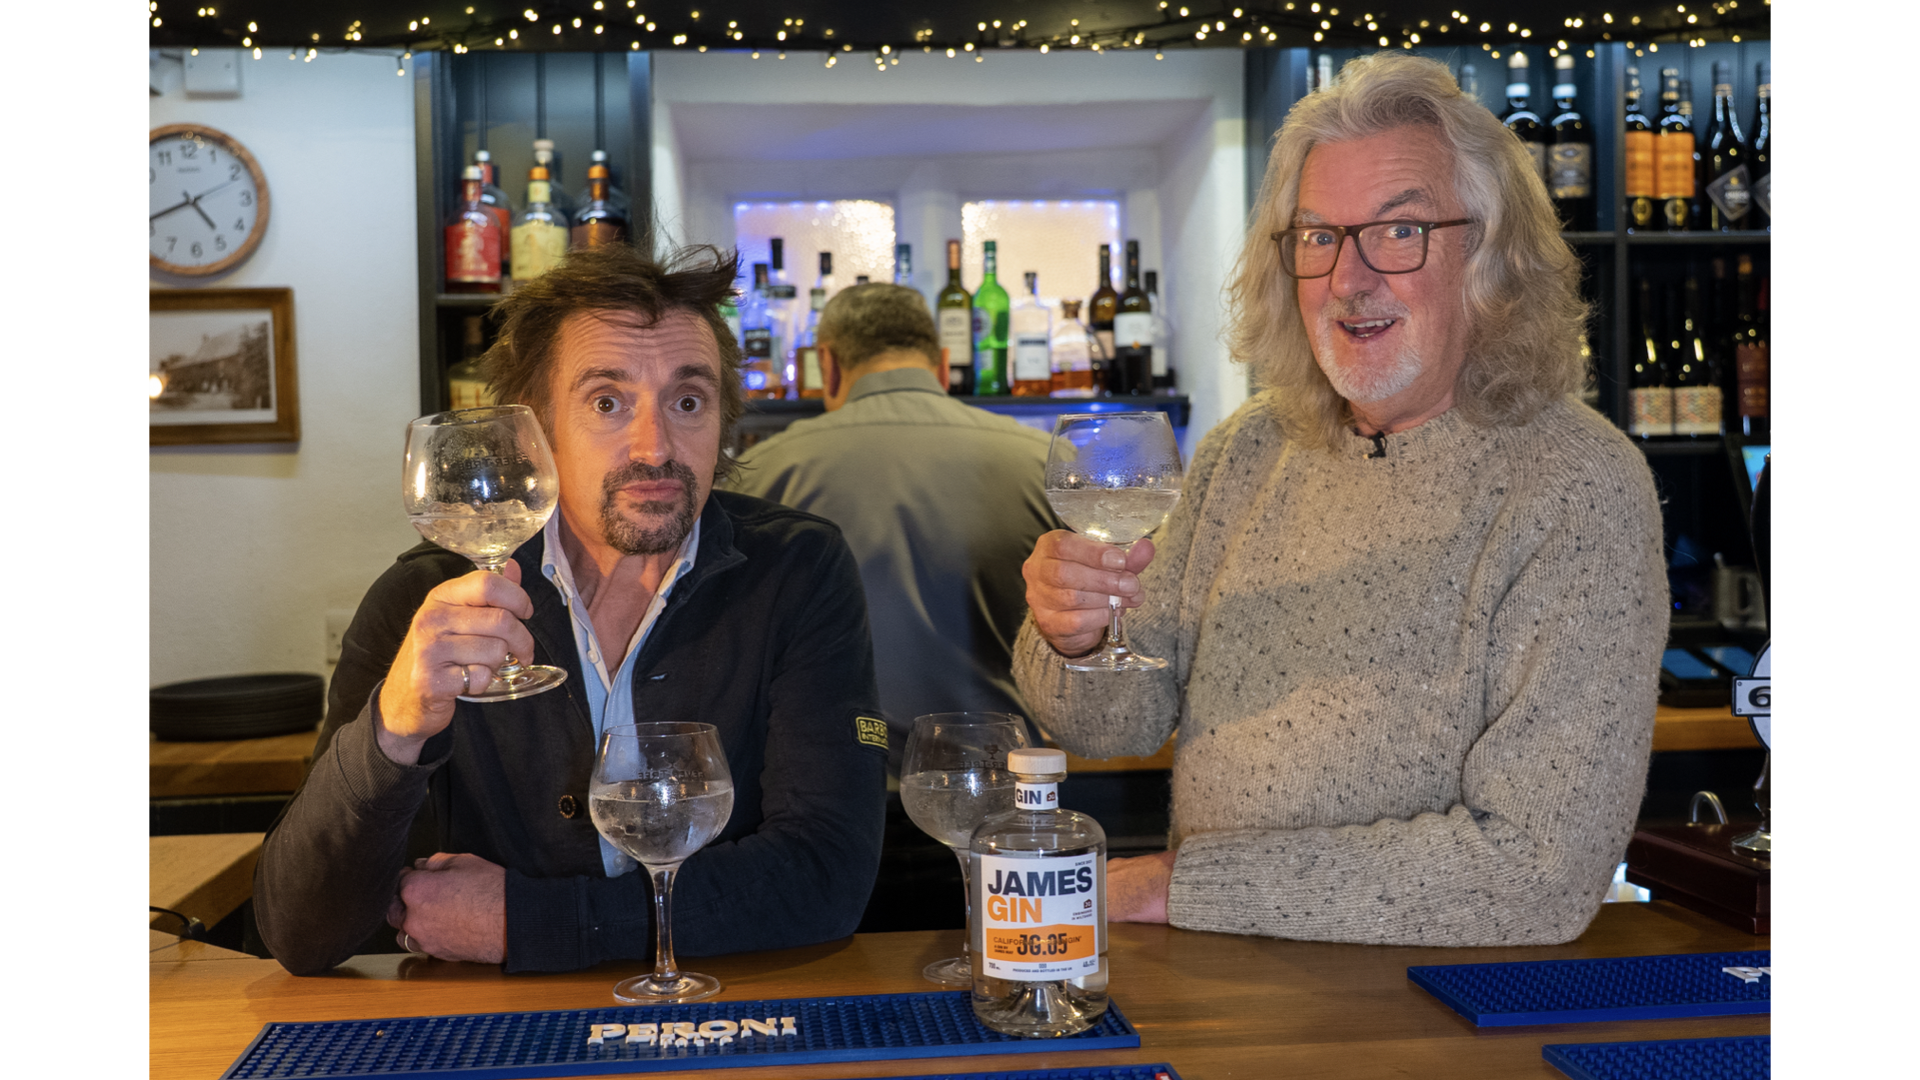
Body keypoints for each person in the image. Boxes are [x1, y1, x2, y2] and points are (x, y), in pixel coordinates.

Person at [1015, 52, 1668, 947]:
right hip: (1220, 1000)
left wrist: (1187, 887)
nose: (1350, 279)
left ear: (1494, 255)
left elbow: (1536, 875)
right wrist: (1075, 632)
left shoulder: (1578, 485)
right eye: (1318, 235)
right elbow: (1114, 721)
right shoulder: (1249, 447)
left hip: (1430, 1023)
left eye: (1399, 233)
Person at [256, 244, 888, 975]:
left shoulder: (798, 571)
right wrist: (393, 731)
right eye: (607, 402)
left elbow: (825, 880)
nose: (655, 447)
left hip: (720, 1019)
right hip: (496, 1036)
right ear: (537, 430)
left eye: (688, 401)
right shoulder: (422, 602)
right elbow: (300, 932)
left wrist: (524, 923)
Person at [726, 283, 1057, 764]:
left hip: (825, 791)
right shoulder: (1046, 462)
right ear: (943, 363)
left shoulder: (762, 471)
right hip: (1001, 784)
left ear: (829, 365)